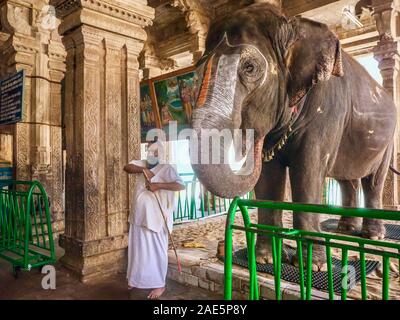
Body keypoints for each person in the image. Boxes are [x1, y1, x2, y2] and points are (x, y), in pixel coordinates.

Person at [124, 139, 185, 299]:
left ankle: (160, 284)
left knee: (156, 253)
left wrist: (158, 185)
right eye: (150, 152)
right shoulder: (143, 164)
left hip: (157, 220)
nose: (152, 155)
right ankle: (135, 280)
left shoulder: (167, 168)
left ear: (161, 153)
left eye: (156, 152)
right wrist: (144, 169)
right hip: (139, 217)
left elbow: (180, 185)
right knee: (138, 251)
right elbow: (127, 167)